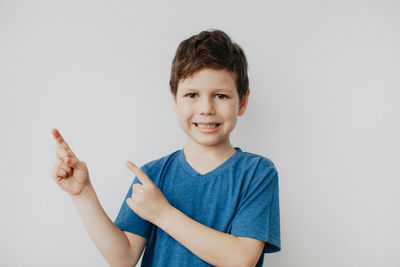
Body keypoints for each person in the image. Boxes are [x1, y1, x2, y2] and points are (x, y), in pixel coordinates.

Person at [51, 29, 281, 267]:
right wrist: (83, 194)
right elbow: (123, 258)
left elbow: (241, 258)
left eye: (220, 96)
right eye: (192, 94)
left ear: (242, 102)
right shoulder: (152, 176)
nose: (206, 108)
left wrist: (162, 213)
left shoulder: (257, 173)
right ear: (174, 99)